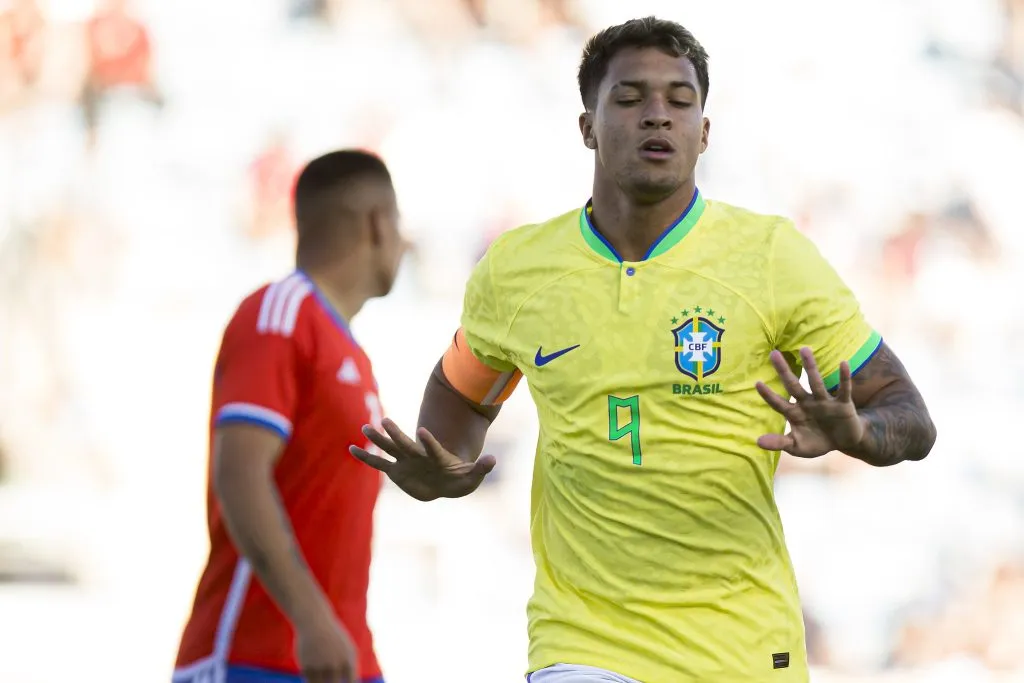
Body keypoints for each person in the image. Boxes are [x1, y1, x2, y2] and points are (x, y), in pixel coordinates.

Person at [350, 17, 938, 683]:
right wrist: (442, 463)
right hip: (584, 643)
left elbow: (911, 418)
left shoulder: (772, 257)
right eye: (630, 98)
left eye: (680, 102)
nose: (658, 116)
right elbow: (460, 394)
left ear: (705, 132)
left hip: (741, 651)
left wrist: (857, 433)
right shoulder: (516, 269)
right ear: (588, 127)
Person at [174, 150, 405, 683]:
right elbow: (239, 474)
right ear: (377, 223)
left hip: (341, 656)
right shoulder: (278, 315)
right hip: (255, 655)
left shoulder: (349, 350)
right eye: (398, 222)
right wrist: (311, 618)